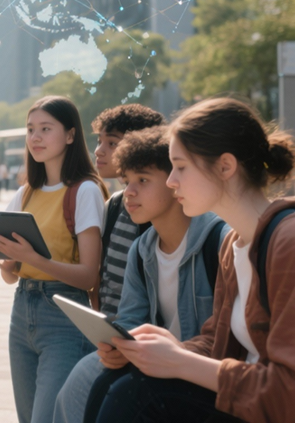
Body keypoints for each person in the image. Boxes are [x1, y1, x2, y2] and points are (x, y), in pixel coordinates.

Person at [89, 97, 295, 423]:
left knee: (137, 395)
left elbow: (288, 393)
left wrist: (179, 362)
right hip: (244, 401)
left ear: (226, 166)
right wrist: (168, 348)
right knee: (112, 382)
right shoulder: (233, 243)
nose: (172, 182)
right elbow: (217, 342)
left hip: (265, 407)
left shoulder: (287, 242)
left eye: (181, 167)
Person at [53, 126, 228, 423]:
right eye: (126, 181)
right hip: (156, 364)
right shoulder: (142, 249)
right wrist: (117, 347)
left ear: (175, 182)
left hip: (205, 374)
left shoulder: (219, 240)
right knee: (84, 374)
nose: (129, 192)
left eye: (143, 180)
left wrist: (173, 353)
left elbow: (229, 340)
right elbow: (130, 320)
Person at [0, 95, 108, 423]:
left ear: (70, 135)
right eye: (30, 129)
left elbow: (88, 276)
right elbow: (10, 277)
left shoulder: (85, 191)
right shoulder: (24, 193)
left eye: (45, 129)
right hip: (21, 313)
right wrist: (10, 263)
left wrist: (32, 258)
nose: (35, 137)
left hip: (66, 317)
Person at [91, 104, 165, 316]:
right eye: (99, 142)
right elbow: (103, 276)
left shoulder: (161, 209)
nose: (99, 151)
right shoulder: (114, 204)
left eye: (112, 143)